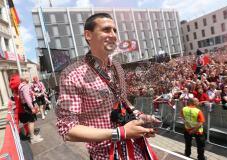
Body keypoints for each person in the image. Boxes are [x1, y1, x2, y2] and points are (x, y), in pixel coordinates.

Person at [56, 13, 159, 160]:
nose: (114, 35)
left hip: (137, 149)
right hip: (105, 155)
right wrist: (119, 133)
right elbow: (67, 130)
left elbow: (122, 101)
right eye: (106, 30)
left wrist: (141, 118)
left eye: (115, 31)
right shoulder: (72, 75)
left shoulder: (117, 67)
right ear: (88, 35)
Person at [18, 73, 43, 144]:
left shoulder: (21, 86)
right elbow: (27, 98)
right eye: (28, 77)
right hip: (28, 105)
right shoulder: (25, 86)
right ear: (25, 79)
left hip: (25, 105)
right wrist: (32, 107)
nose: (29, 78)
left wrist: (35, 94)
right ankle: (32, 138)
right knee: (31, 121)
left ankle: (33, 136)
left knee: (30, 121)